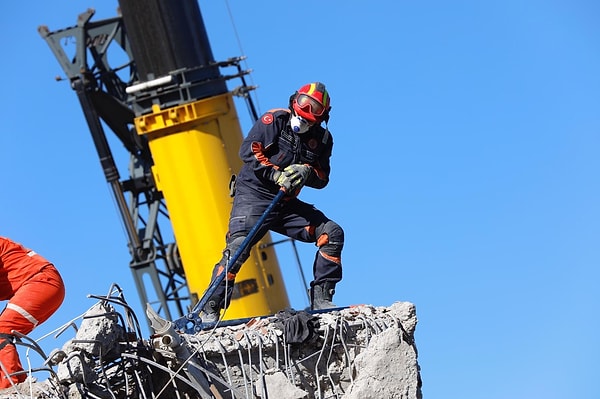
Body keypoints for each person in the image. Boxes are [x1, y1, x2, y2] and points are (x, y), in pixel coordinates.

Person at [201, 82, 344, 322]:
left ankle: (321, 299)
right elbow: (249, 151)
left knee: (331, 233)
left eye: (314, 108)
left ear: (323, 116)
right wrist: (275, 173)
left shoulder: (323, 140)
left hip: (285, 204)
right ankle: (209, 308)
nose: (306, 110)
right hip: (253, 196)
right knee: (238, 249)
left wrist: (307, 171)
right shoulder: (274, 120)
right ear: (294, 101)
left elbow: (322, 177)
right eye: (303, 102)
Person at [0, 236, 65, 389]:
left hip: (42, 281)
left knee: (2, 329)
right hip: (40, 283)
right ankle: (20, 384)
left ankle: (9, 388)